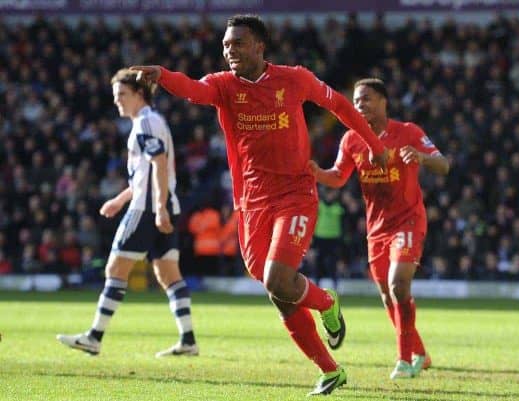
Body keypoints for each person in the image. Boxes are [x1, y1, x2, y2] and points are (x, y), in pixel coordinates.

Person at [132, 14, 388, 395]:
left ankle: (326, 303)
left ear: (259, 46)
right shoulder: (223, 86)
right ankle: (331, 369)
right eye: (225, 45)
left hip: (296, 194)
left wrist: (375, 144)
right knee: (277, 291)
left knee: (277, 279)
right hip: (252, 201)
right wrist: (164, 76)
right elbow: (194, 90)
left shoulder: (295, 78)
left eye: (237, 43)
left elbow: (340, 107)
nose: (229, 51)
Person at [309, 78, 449, 379]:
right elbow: (338, 177)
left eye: (367, 99)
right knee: (388, 295)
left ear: (384, 102)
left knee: (399, 285)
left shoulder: (408, 132)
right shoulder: (351, 139)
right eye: (357, 101)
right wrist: (318, 173)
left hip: (409, 220)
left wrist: (423, 158)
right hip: (377, 228)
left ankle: (403, 358)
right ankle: (420, 354)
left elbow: (443, 164)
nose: (360, 106)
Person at [57, 69, 199, 358]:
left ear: (139, 94)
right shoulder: (151, 122)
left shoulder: (145, 123)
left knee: (114, 270)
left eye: (122, 94)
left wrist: (157, 209)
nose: (117, 101)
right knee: (168, 274)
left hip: (147, 209)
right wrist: (120, 199)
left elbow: (158, 164)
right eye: (115, 96)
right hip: (163, 205)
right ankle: (188, 340)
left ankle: (94, 337)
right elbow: (145, 175)